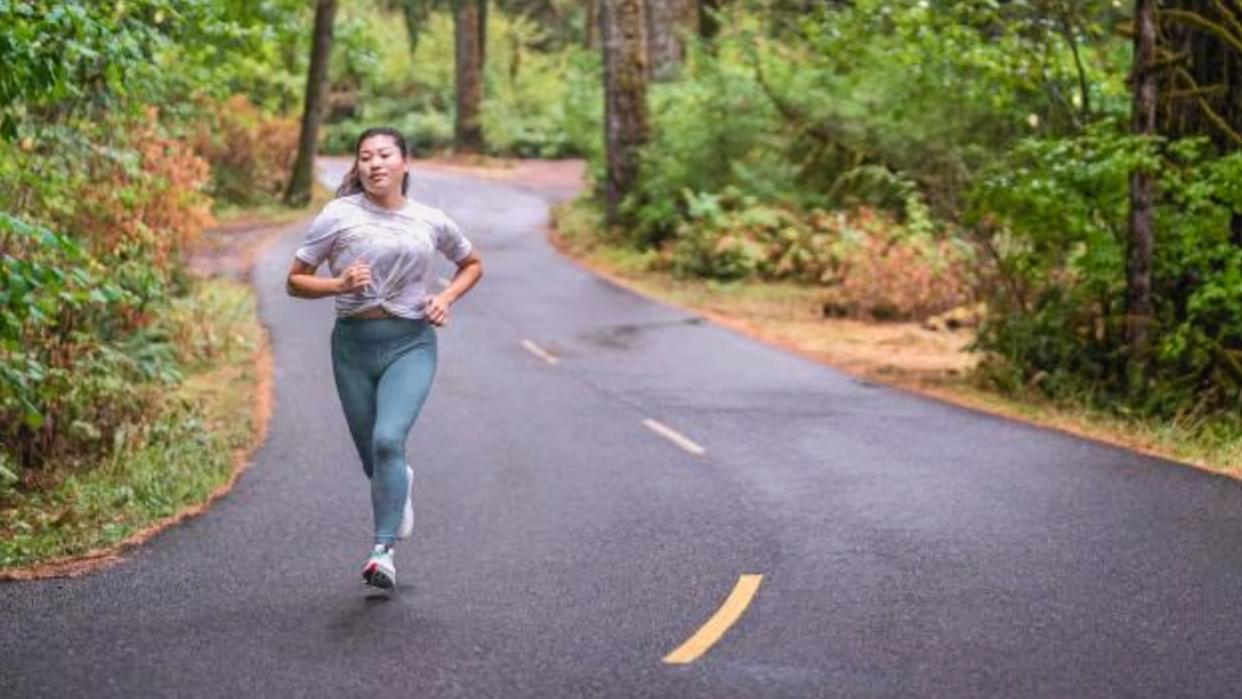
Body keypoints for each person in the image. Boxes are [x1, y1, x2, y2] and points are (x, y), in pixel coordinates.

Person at [286, 126, 483, 590]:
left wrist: (446, 298)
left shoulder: (429, 219)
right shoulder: (337, 215)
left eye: (384, 155)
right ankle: (399, 484)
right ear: (357, 167)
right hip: (352, 347)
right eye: (365, 157)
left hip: (410, 343)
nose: (374, 164)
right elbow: (294, 281)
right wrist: (338, 285)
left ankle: (382, 551)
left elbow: (472, 263)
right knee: (373, 459)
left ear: (404, 163)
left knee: (388, 439)